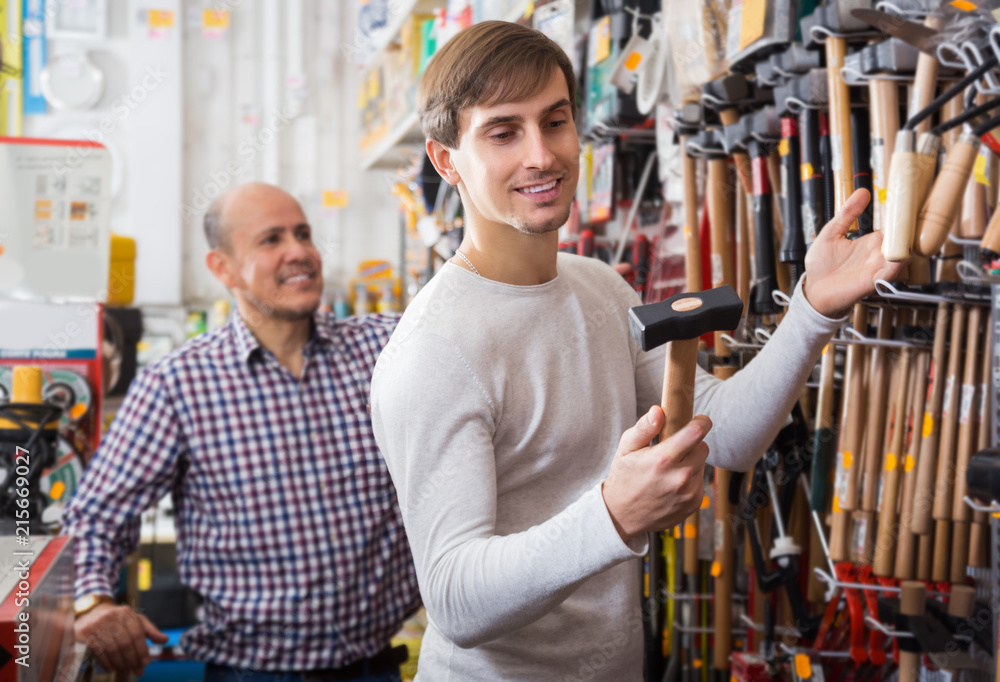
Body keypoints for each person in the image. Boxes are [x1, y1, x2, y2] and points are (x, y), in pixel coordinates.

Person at [370, 20, 904, 681]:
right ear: (446, 159)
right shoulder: (434, 351)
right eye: (504, 132)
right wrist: (611, 516)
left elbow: (727, 435)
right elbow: (453, 600)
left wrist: (812, 308)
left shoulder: (598, 285)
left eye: (555, 121)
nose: (542, 154)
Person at [62, 183, 418, 682]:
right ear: (222, 268)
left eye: (303, 234)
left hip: (376, 666)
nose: (300, 252)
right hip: (251, 673)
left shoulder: (386, 348)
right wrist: (93, 602)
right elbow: (93, 517)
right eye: (271, 240)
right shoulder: (178, 384)